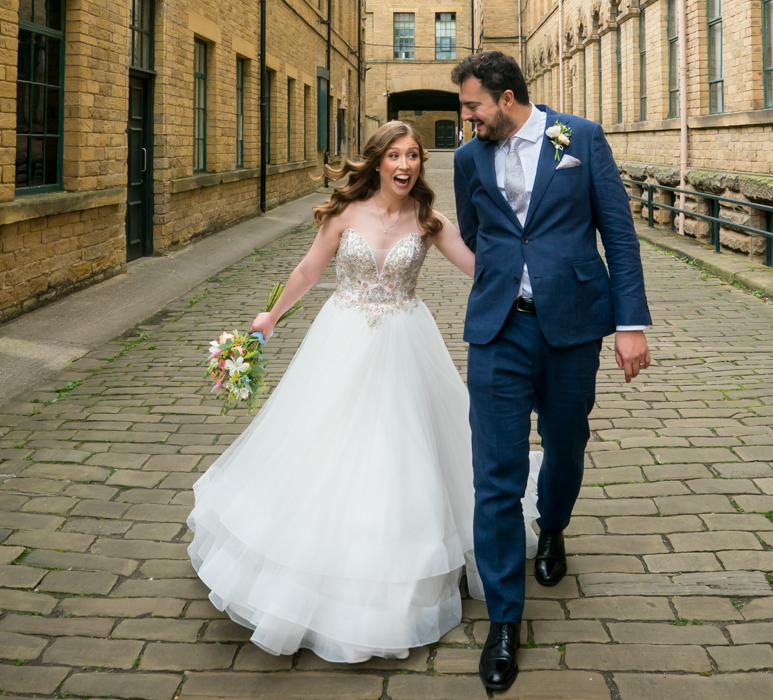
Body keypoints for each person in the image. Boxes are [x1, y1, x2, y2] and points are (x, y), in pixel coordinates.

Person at [188, 121, 501, 663]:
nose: (405, 166)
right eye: (395, 156)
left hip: (406, 344)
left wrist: (532, 283)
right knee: (325, 444)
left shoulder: (429, 220)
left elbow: (480, 269)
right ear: (377, 160)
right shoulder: (344, 215)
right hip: (343, 338)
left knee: (402, 453)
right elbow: (310, 269)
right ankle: (312, 571)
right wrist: (270, 318)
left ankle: (397, 582)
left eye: (414, 157)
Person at [451, 51, 651, 695]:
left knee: (566, 442)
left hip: (572, 324)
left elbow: (617, 235)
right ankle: (504, 620)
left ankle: (555, 526)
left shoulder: (580, 139)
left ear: (506, 98)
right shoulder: (466, 158)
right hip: (499, 329)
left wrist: (629, 323)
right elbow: (480, 234)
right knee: (495, 472)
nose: (467, 117)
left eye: (473, 105)